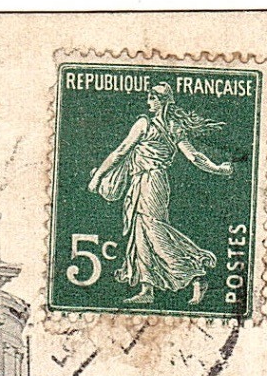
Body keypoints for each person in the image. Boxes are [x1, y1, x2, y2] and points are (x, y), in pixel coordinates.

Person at [87, 83, 234, 306]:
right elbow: (194, 157)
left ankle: (196, 271)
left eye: (151, 98)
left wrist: (98, 176)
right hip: (145, 181)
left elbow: (121, 151)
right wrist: (218, 169)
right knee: (141, 233)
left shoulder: (145, 123)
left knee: (154, 231)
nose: (148, 103)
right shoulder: (174, 127)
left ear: (160, 100)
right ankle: (147, 289)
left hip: (151, 181)